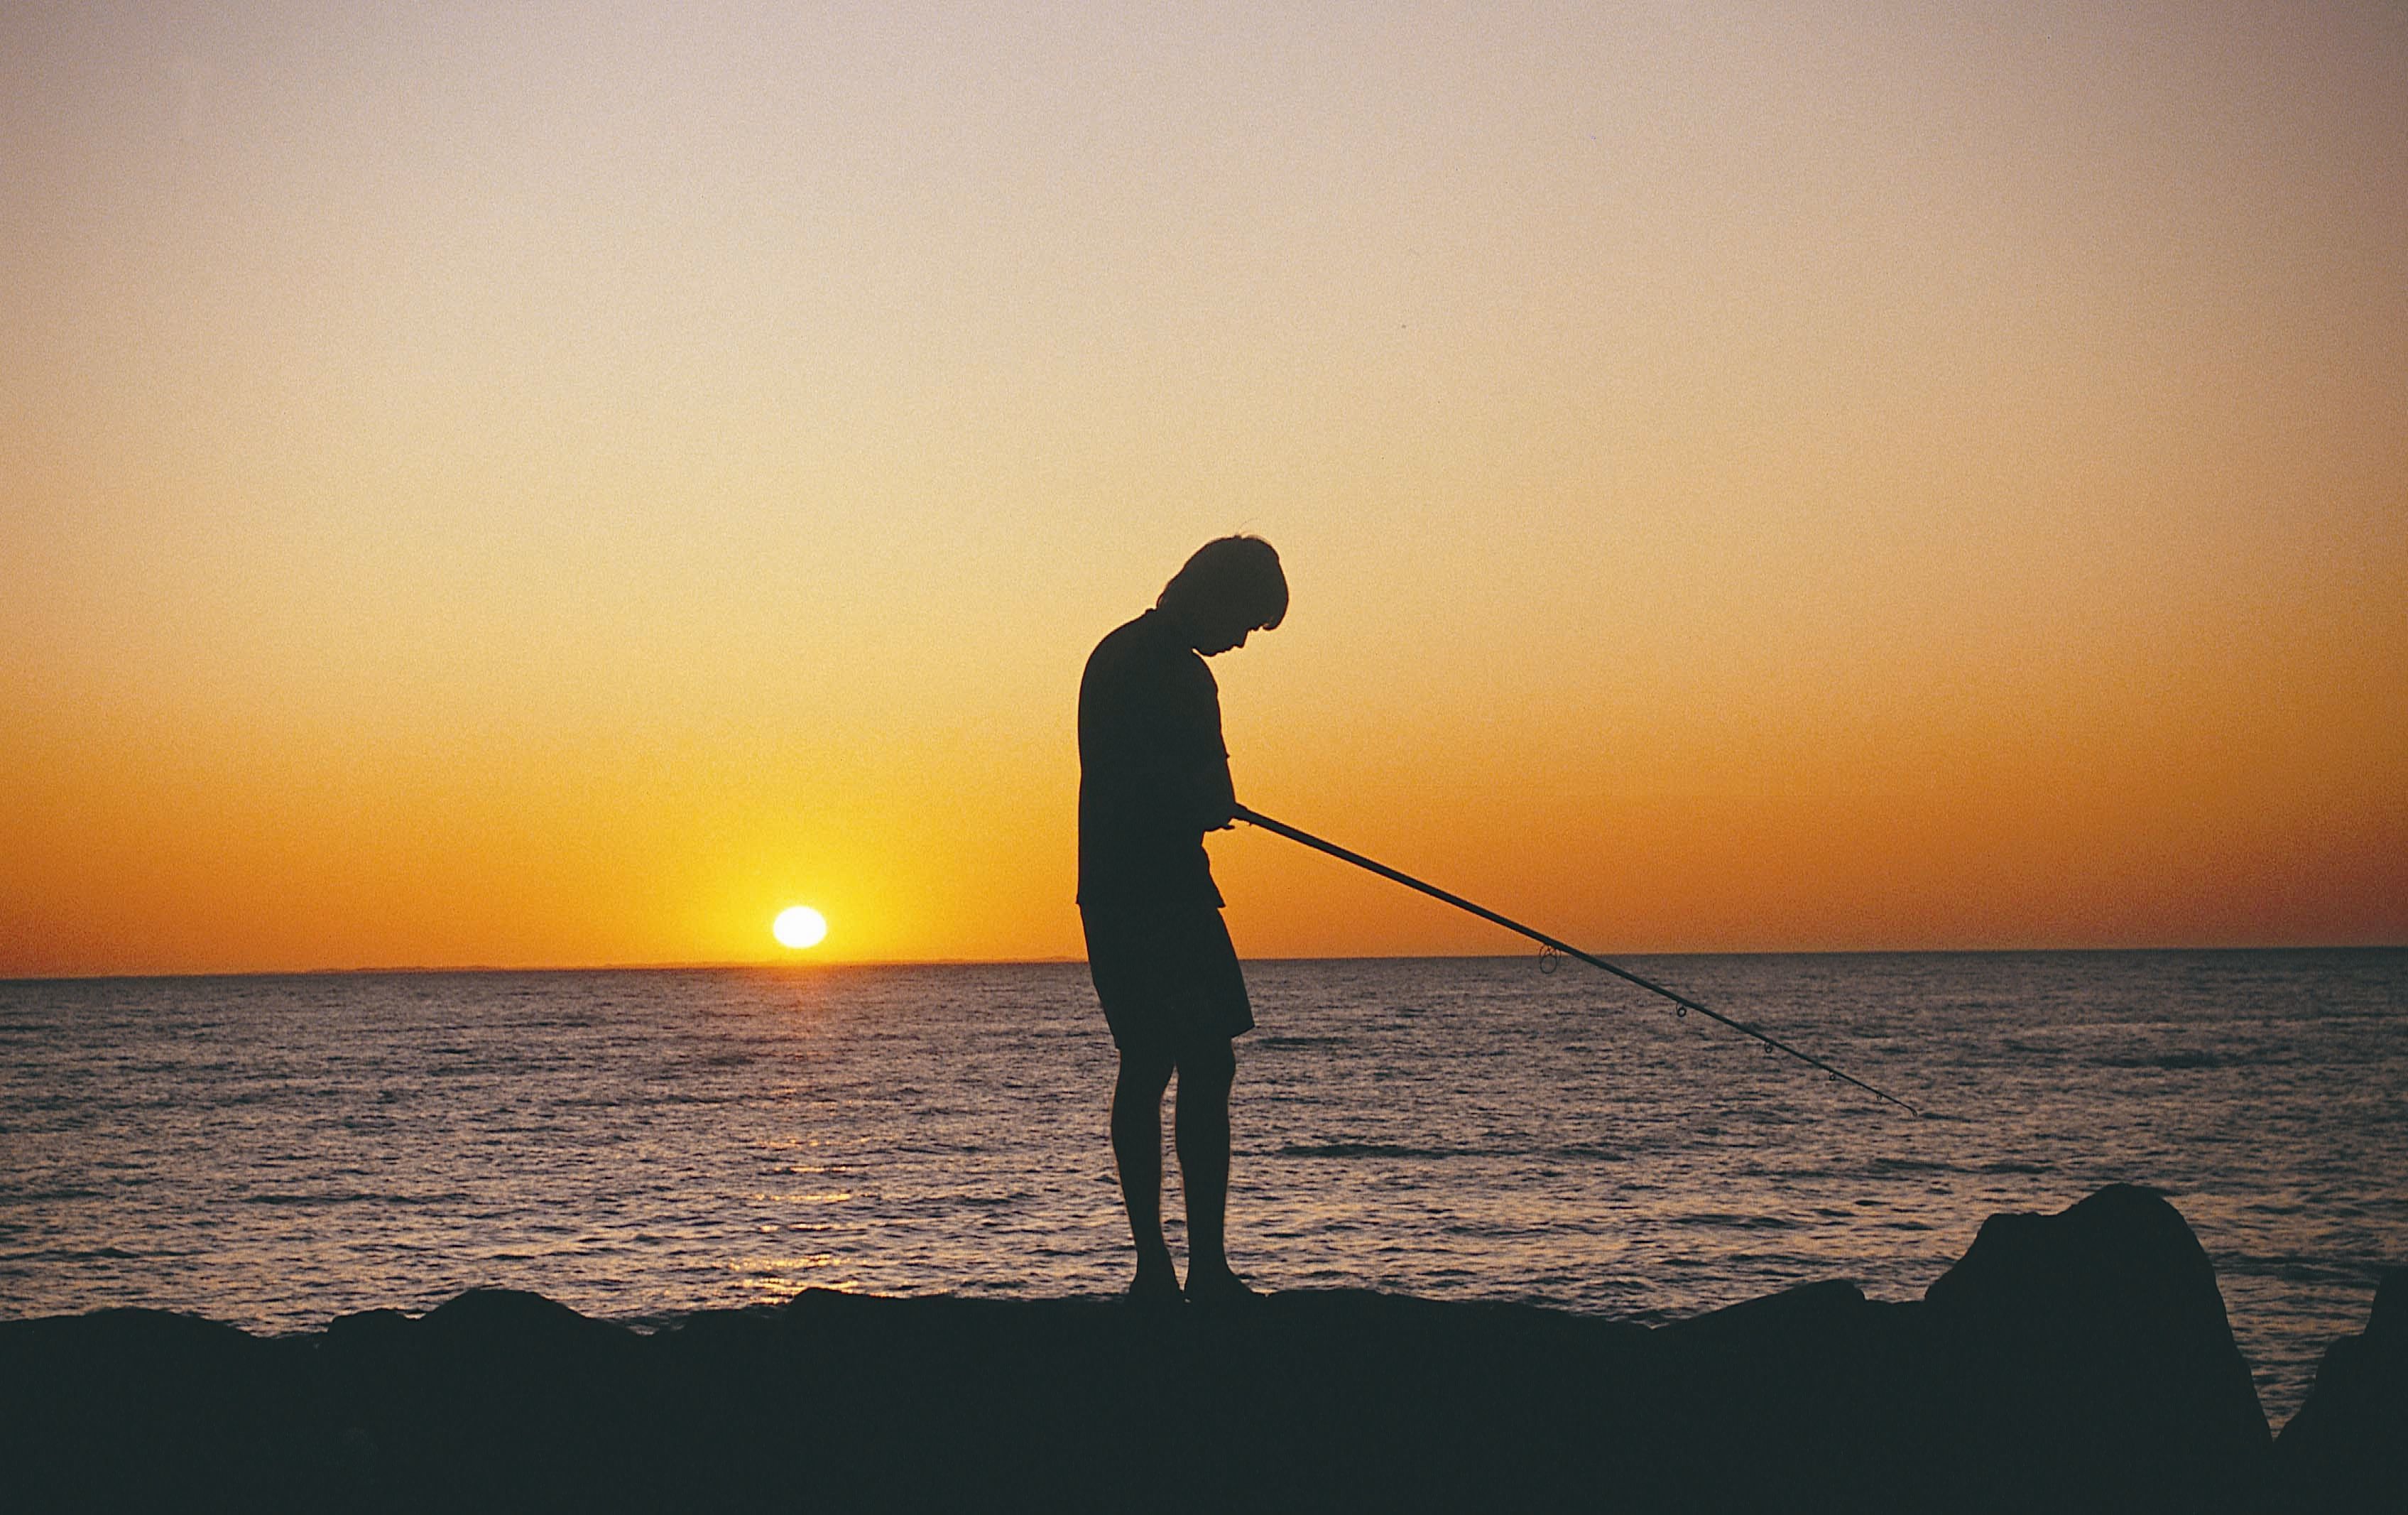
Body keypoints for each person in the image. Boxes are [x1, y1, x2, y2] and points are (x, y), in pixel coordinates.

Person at [1078, 536, 1287, 1306]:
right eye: (1244, 624)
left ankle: (1156, 1273)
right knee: (1199, 1066)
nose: (1237, 643)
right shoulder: (1178, 672)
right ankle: (1203, 1270)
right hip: (1164, 889)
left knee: (1149, 1066)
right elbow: (1205, 792)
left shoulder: (1113, 654)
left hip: (1111, 887)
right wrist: (1207, 805)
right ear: (1215, 595)